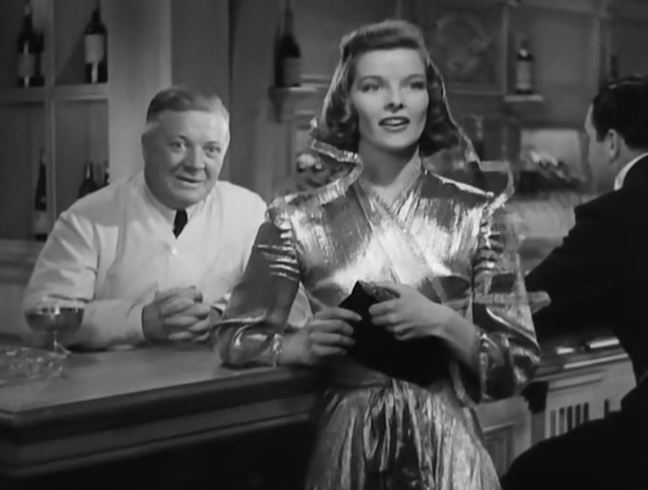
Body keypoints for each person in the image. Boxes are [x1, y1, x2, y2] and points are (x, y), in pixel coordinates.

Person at [217, 20, 539, 490]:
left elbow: (519, 362)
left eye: (412, 85)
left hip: (450, 447)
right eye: (373, 86)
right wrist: (296, 346)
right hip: (349, 442)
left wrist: (442, 322)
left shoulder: (481, 215)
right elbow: (234, 336)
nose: (395, 100)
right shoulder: (295, 218)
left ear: (430, 98)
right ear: (348, 102)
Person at [22, 86, 271, 349]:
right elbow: (42, 324)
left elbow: (280, 298)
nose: (195, 164)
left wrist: (219, 316)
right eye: (178, 145)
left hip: (214, 372)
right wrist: (139, 321)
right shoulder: (86, 220)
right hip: (112, 375)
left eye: (211, 150)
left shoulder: (249, 212)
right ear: (146, 147)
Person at [501, 75, 648, 490]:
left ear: (611, 143)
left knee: (530, 475)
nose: (588, 152)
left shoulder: (617, 214)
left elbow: (531, 303)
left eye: (588, 138)